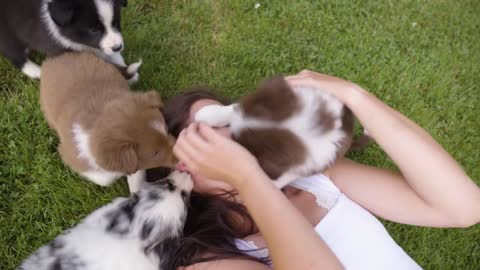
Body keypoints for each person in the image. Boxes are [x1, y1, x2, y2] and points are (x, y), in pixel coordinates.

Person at [153, 71, 480, 270]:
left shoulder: (314, 180)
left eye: (228, 119)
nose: (232, 131)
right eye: (205, 132)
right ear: (183, 166)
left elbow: (463, 207)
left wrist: (355, 96)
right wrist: (246, 177)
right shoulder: (205, 258)